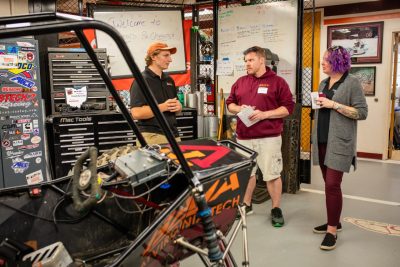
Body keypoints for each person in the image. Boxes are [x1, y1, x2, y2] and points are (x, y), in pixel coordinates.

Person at [226, 46, 294, 227]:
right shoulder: (240, 82)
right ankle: (246, 205)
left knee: (271, 173)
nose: (247, 64)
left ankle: (276, 208)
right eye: (245, 61)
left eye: (250, 60)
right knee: (248, 173)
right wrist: (239, 108)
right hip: (244, 137)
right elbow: (230, 104)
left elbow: (287, 108)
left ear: (261, 61)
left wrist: (265, 114)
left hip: (269, 137)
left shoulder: (278, 82)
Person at [311, 45, 368, 250]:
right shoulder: (323, 82)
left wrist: (334, 105)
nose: (322, 62)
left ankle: (332, 231)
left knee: (332, 185)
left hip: (340, 142)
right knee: (329, 184)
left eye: (326, 59)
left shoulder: (352, 83)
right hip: (322, 140)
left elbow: (362, 113)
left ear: (337, 62)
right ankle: (334, 220)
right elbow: (322, 109)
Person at [130, 42, 182, 145]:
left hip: (174, 135)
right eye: (166, 55)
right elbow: (136, 113)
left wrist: (179, 107)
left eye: (170, 56)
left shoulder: (169, 80)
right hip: (153, 137)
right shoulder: (141, 80)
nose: (170, 60)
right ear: (153, 57)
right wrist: (163, 107)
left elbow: (175, 111)